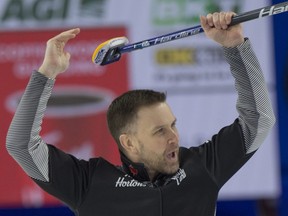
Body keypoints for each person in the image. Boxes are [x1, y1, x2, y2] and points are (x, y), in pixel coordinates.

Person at [6, 12, 275, 216]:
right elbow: (21, 146)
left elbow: (259, 120)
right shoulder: (89, 184)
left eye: (173, 125)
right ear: (129, 142)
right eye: (159, 130)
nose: (174, 137)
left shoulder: (200, 167)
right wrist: (46, 73)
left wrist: (235, 46)